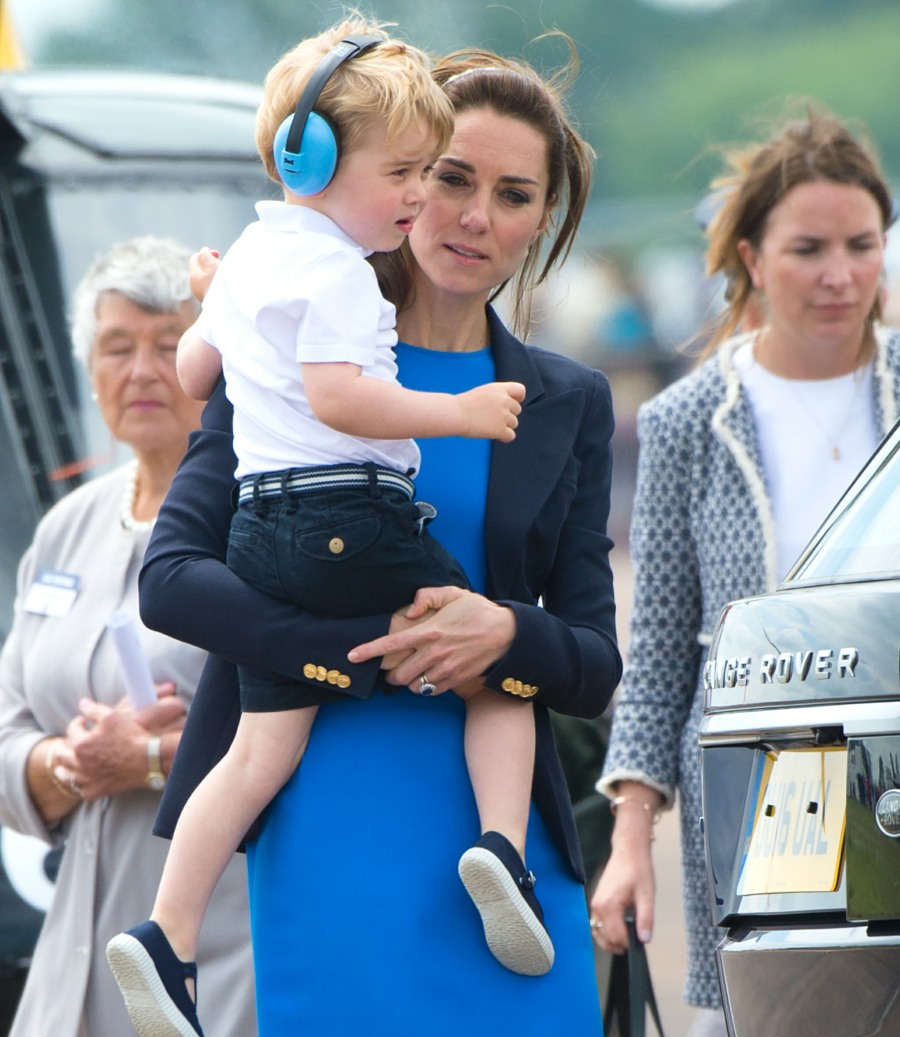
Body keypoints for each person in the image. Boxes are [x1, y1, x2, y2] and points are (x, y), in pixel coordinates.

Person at [137, 38, 621, 1035]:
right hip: (322, 822)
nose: (477, 215)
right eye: (449, 177)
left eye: (517, 193)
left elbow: (592, 660)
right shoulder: (288, 359)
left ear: (545, 221)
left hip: (505, 863)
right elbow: (172, 579)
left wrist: (503, 634)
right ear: (383, 168)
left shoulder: (569, 399)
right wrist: (343, 656)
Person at [590, 105, 900, 1037]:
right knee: (776, 1017)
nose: (840, 274)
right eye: (808, 247)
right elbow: (654, 659)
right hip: (770, 782)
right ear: (752, 258)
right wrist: (630, 837)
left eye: (862, 243)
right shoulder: (691, 420)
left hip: (893, 759)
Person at [0, 238, 257, 1037]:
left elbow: (307, 730)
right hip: (69, 967)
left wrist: (146, 758)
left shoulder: (260, 519)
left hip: (216, 963)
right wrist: (64, 764)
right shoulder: (67, 524)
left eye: (170, 344)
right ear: (89, 368)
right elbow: (8, 731)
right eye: (117, 346)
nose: (142, 370)